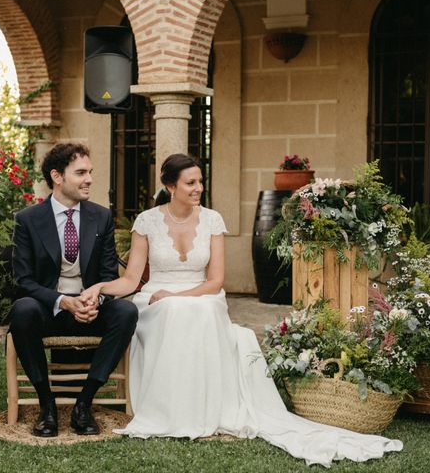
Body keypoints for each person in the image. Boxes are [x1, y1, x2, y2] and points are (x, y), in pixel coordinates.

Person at [80, 154, 403, 467]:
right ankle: (171, 410)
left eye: (200, 181)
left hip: (203, 294)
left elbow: (216, 280)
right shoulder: (147, 222)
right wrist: (100, 287)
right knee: (174, 311)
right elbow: (131, 280)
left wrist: (177, 295)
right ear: (170, 186)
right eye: (190, 182)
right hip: (154, 296)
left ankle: (204, 408)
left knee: (197, 310)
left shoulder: (212, 220)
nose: (198, 188)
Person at [8, 143, 138, 438]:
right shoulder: (28, 219)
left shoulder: (101, 217)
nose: (89, 179)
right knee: (23, 309)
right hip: (49, 310)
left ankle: (84, 403)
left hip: (91, 308)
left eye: (90, 172)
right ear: (57, 176)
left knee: (126, 311)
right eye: (80, 172)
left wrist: (98, 297)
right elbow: (22, 281)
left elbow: (107, 275)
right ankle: (47, 406)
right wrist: (63, 301)